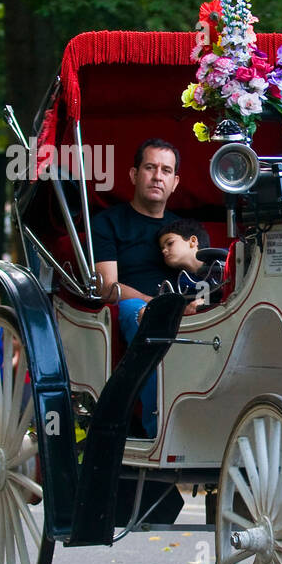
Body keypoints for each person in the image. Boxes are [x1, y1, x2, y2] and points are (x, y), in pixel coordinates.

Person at [90, 138, 181, 437]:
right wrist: (152, 302)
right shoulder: (108, 223)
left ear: (175, 182)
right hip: (132, 308)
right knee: (143, 315)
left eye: (166, 170)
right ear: (133, 175)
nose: (158, 176)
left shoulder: (184, 229)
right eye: (150, 167)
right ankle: (160, 431)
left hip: (182, 306)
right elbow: (107, 286)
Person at [158, 219, 221, 314]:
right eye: (162, 248)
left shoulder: (225, 257)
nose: (164, 251)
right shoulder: (183, 285)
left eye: (170, 243)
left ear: (193, 241)